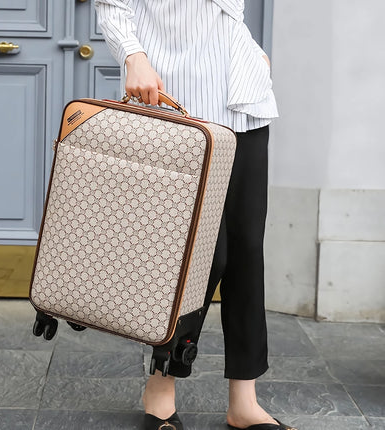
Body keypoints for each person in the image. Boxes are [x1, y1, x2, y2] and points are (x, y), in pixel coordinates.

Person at [94, 1, 296, 429]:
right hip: (180, 103)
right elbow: (113, 7)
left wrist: (251, 49)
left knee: (245, 252)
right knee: (199, 257)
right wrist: (134, 56)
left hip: (243, 101)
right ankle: (161, 387)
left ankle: (244, 400)